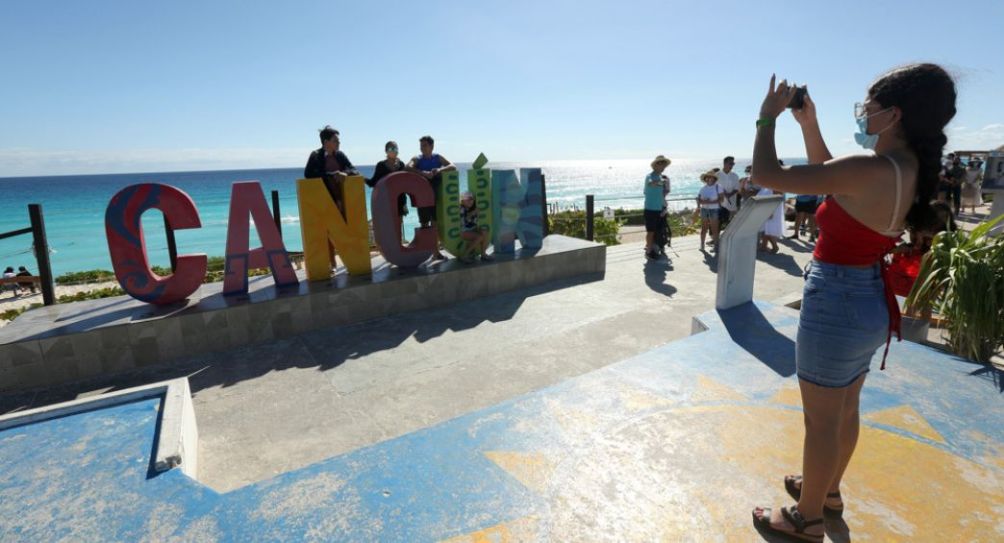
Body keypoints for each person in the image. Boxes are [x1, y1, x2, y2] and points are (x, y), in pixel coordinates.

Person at [749, 65, 956, 542]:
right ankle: (829, 491)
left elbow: (766, 174)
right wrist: (808, 125)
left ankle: (806, 519)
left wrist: (766, 119)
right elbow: (831, 178)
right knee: (844, 408)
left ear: (895, 114)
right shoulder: (906, 169)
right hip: (867, 300)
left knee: (819, 420)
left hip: (837, 300)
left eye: (871, 107)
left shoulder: (870, 169)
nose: (864, 113)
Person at [407, 135, 456, 261]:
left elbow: (452, 166)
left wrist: (439, 170)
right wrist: (423, 173)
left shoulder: (437, 157)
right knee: (424, 225)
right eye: (421, 145)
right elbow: (407, 167)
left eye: (424, 145)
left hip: (435, 197)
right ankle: (423, 254)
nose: (422, 148)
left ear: (432, 146)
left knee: (435, 224)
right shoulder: (417, 158)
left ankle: (435, 253)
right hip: (422, 198)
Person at [304, 125, 360, 215]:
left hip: (344, 198)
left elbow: (355, 170)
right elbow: (308, 174)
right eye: (335, 141)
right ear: (326, 142)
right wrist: (332, 174)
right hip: (325, 199)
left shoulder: (340, 155)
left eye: (338, 141)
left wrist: (344, 173)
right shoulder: (316, 155)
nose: (339, 143)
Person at [366, 141, 410, 237]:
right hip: (385, 200)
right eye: (391, 149)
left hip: (400, 199)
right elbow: (373, 183)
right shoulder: (381, 165)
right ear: (386, 151)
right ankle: (389, 249)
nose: (394, 151)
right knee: (387, 225)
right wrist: (361, 178)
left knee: (398, 225)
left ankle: (398, 248)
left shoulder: (401, 164)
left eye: (396, 149)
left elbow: (405, 183)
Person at [644, 155, 672, 259]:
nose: (663, 166)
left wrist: (664, 207)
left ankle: (653, 248)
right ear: (655, 165)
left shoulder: (662, 178)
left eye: (664, 164)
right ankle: (648, 251)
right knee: (650, 232)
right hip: (650, 209)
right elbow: (651, 184)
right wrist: (662, 182)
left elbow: (663, 193)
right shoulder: (649, 176)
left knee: (657, 231)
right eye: (660, 163)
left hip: (659, 209)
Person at [459, 191, 492, 263]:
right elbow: (463, 222)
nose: (470, 201)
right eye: (468, 200)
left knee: (485, 232)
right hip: (463, 230)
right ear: (462, 201)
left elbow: (474, 222)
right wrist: (473, 213)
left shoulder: (472, 208)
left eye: (472, 199)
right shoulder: (461, 208)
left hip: (471, 229)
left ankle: (483, 254)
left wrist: (475, 214)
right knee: (479, 237)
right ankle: (464, 255)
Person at [696, 170, 723, 250]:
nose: (708, 178)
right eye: (707, 177)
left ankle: (716, 246)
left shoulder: (718, 187)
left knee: (714, 229)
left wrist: (709, 202)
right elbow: (699, 200)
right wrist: (702, 202)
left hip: (714, 210)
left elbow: (722, 199)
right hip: (704, 209)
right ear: (705, 179)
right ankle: (702, 245)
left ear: (714, 178)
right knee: (704, 228)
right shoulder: (703, 188)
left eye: (710, 177)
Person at [758, 185, 784, 253]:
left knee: (769, 229)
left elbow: (777, 198)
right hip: (766, 209)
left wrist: (771, 211)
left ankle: (775, 247)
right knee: (765, 229)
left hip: (772, 210)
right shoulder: (767, 185)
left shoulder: (775, 185)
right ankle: (764, 246)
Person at [716, 156, 740, 225]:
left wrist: (729, 194)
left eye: (733, 164)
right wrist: (723, 193)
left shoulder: (735, 175)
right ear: (724, 163)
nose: (732, 165)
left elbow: (737, 188)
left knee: (731, 224)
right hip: (720, 205)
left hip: (731, 205)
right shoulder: (717, 175)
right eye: (730, 163)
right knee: (719, 224)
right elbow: (714, 188)